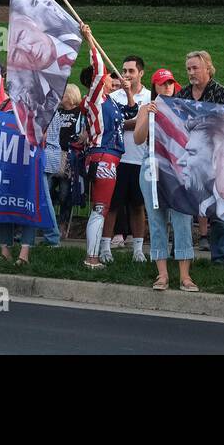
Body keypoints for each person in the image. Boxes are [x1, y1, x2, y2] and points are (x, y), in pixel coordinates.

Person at [172, 49, 224, 264]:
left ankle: (219, 258)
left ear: (208, 68)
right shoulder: (181, 96)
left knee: (218, 209)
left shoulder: (222, 94)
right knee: (183, 207)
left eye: (195, 68)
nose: (191, 72)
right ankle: (179, 252)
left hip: (216, 160)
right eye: (188, 68)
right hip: (188, 159)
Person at [133, 96, 197, 291]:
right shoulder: (147, 107)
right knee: (156, 218)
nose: (166, 87)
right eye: (162, 84)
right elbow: (138, 138)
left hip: (177, 164)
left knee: (182, 218)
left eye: (170, 83)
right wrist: (148, 116)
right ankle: (162, 274)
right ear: (156, 88)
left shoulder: (181, 108)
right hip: (152, 164)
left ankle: (185, 276)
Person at [80, 26, 127, 269]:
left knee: (101, 207)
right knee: (100, 208)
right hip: (103, 157)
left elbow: (128, 114)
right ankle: (91, 257)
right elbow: (99, 68)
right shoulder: (95, 96)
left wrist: (128, 93)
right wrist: (90, 40)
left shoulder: (108, 101)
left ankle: (93, 253)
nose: (111, 78)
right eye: (109, 77)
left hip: (108, 156)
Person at [111, 55, 151, 262]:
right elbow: (112, 123)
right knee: (113, 205)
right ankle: (105, 248)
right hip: (117, 157)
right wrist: (137, 120)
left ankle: (137, 249)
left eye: (131, 71)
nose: (126, 75)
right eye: (124, 71)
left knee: (138, 206)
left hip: (140, 158)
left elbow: (144, 123)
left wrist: (127, 121)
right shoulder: (115, 96)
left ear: (141, 73)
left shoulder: (149, 96)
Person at [43, 84, 83, 243]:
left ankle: (62, 226)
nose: (60, 97)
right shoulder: (56, 111)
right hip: (53, 154)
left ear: (71, 95)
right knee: (48, 189)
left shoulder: (79, 113)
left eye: (63, 94)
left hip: (68, 156)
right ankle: (48, 224)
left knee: (65, 193)